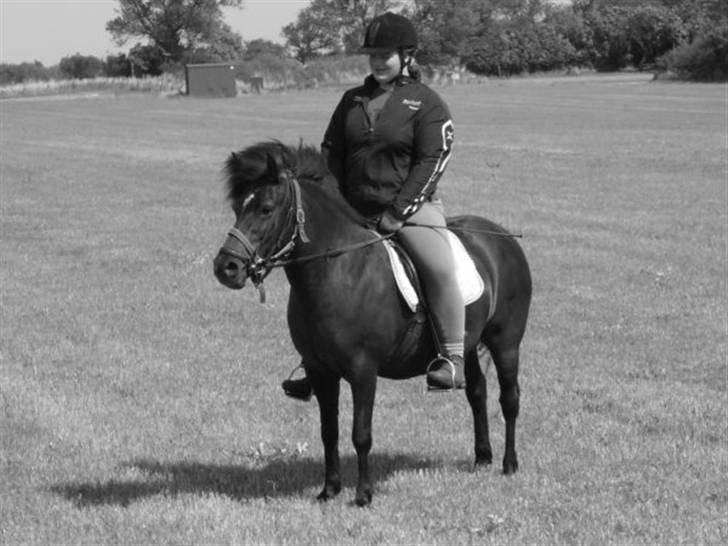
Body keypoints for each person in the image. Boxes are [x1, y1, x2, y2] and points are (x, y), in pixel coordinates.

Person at [282, 12, 465, 399]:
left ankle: (452, 357)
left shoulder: (427, 103)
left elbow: (432, 161)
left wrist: (398, 212)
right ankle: (313, 359)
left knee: (439, 265)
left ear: (407, 55)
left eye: (386, 54)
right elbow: (330, 154)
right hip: (353, 211)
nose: (378, 62)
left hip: (413, 210)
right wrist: (330, 205)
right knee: (313, 269)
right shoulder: (352, 101)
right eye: (373, 55)